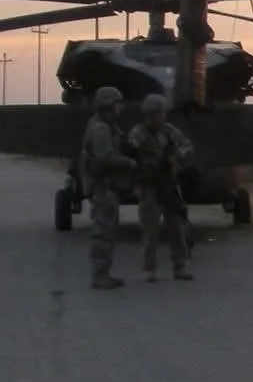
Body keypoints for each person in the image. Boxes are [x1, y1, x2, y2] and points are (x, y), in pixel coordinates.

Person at [125, 93, 195, 282]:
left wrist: (176, 157)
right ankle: (150, 269)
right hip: (149, 187)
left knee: (176, 228)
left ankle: (180, 266)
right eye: (156, 114)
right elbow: (130, 149)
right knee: (150, 230)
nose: (160, 117)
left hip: (168, 185)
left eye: (161, 114)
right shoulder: (139, 133)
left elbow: (187, 146)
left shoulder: (169, 131)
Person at [81, 86, 136, 290]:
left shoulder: (106, 125)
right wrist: (128, 162)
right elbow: (106, 156)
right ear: (108, 106)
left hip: (106, 185)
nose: (120, 109)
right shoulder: (101, 129)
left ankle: (103, 272)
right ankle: (100, 274)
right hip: (102, 185)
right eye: (117, 105)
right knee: (103, 231)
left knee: (107, 229)